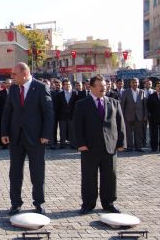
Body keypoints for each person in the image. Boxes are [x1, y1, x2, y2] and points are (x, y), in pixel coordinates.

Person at [1, 62, 53, 216]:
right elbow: (7, 112)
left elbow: (49, 113)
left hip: (36, 139)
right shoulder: (14, 89)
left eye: (14, 74)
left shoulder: (41, 87)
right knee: (15, 173)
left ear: (24, 73)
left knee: (37, 173)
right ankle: (15, 203)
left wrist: (46, 134)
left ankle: (39, 203)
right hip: (16, 138)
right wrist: (4, 132)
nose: (12, 77)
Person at [73, 75, 126, 215]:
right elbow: (77, 126)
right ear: (91, 87)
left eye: (105, 85)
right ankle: (88, 204)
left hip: (110, 147)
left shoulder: (114, 103)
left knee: (110, 176)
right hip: (89, 147)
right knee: (89, 177)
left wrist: (121, 142)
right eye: (100, 85)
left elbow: (120, 124)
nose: (104, 88)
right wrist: (81, 143)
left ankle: (108, 203)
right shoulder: (82, 104)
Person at [121, 78, 147, 152]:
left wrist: (145, 115)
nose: (135, 84)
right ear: (130, 83)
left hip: (139, 115)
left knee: (139, 132)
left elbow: (144, 105)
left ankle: (138, 147)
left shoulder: (142, 92)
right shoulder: (126, 92)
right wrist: (122, 116)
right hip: (128, 116)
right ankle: (129, 147)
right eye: (133, 82)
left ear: (138, 83)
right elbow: (122, 105)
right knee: (128, 132)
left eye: (136, 82)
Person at [55, 79, 77, 149]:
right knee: (62, 131)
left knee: (72, 131)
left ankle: (73, 144)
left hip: (72, 116)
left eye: (69, 84)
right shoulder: (59, 95)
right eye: (66, 85)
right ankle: (62, 144)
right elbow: (57, 106)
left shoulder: (75, 93)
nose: (68, 86)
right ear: (63, 86)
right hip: (62, 116)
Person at [0, 78, 12, 149]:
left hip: (13, 115)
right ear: (4, 84)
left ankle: (12, 143)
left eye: (9, 83)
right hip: (3, 114)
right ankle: (4, 144)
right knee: (3, 129)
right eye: (6, 83)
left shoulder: (15, 91)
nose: (8, 85)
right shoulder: (1, 93)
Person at [143, 78, 154, 147]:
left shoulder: (154, 92)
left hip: (152, 113)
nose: (148, 85)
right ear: (144, 85)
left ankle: (152, 141)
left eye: (149, 84)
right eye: (146, 84)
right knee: (143, 128)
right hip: (143, 113)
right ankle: (144, 142)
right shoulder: (141, 92)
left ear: (151, 85)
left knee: (152, 128)